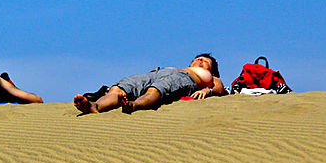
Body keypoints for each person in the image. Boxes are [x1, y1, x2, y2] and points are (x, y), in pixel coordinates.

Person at [74, 53, 226, 114]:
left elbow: (219, 87)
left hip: (182, 78)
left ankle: (134, 105)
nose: (200, 60)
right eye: (197, 58)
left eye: (205, 61)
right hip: (156, 72)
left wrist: (208, 91)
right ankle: (96, 106)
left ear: (211, 69)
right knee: (119, 87)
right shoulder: (182, 66)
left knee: (156, 90)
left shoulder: (210, 77)